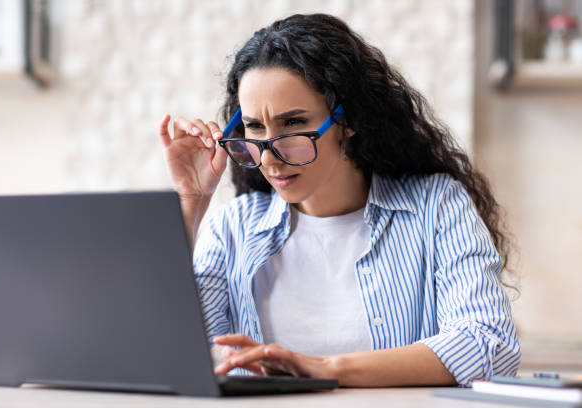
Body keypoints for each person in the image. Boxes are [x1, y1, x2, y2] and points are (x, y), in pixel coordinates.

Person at [157, 13, 521, 387]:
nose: (269, 157)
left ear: (349, 121)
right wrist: (191, 202)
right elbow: (170, 356)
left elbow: (488, 345)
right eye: (254, 127)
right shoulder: (233, 228)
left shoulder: (436, 207)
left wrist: (324, 370)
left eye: (294, 124)